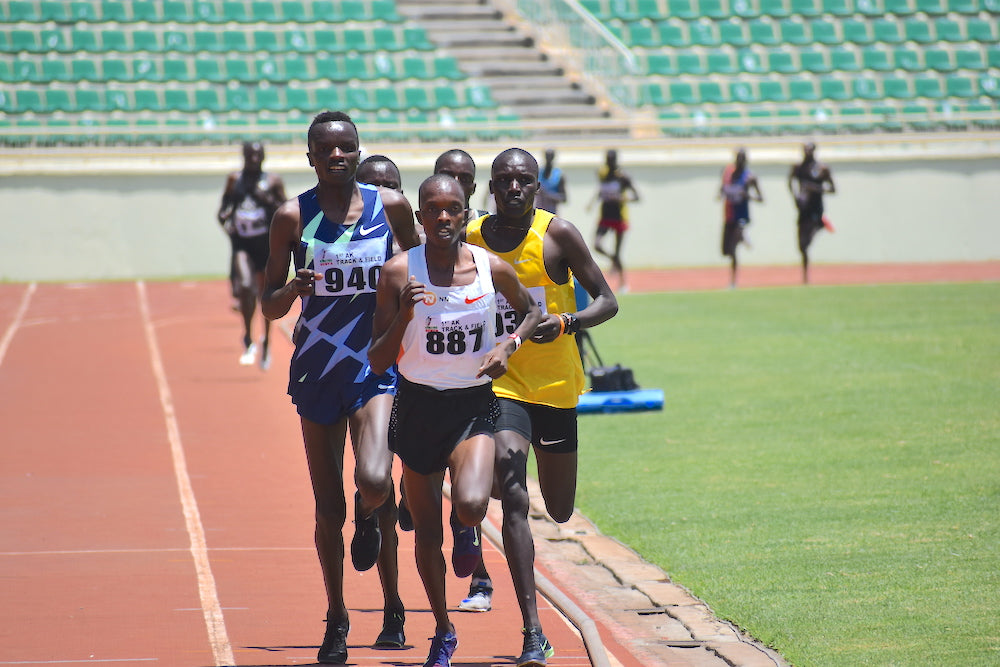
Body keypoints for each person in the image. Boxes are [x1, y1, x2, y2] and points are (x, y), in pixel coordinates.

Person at [260, 111, 421, 664]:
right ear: (309, 156)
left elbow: (421, 267)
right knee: (327, 510)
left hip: (373, 365)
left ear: (359, 151)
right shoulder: (291, 216)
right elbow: (268, 303)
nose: (338, 156)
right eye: (326, 149)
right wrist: (293, 287)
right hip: (315, 369)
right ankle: (338, 618)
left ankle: (390, 586)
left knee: (375, 480)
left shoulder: (389, 207)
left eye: (347, 147)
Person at [369, 173, 541, 667]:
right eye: (433, 208)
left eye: (453, 208)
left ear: (466, 214)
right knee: (425, 536)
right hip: (418, 404)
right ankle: (443, 630)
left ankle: (466, 529)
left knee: (469, 506)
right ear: (419, 217)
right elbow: (379, 360)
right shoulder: (399, 272)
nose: (443, 216)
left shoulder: (490, 268)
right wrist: (403, 316)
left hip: (471, 404)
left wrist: (509, 345)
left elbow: (528, 312)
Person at [464, 148, 618, 666]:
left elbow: (607, 299)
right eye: (503, 180)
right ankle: (533, 631)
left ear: (536, 187)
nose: (513, 188)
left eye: (523, 180)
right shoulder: (472, 238)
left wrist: (569, 323)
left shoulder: (558, 235)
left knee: (558, 507)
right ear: (491, 187)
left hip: (555, 387)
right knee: (512, 493)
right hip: (502, 386)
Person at [217, 141, 286, 369]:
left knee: (265, 295)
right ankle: (248, 336)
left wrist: (264, 198)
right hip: (242, 244)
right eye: (250, 155)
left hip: (265, 244)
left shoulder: (272, 181)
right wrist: (228, 226)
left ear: (264, 157)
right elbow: (223, 209)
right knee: (246, 286)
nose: (254, 159)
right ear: (244, 156)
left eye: (258, 155)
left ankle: (266, 340)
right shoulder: (234, 180)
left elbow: (285, 210)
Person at [590, 149, 638, 293]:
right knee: (597, 244)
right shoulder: (602, 174)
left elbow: (637, 196)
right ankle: (613, 261)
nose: (609, 163)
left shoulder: (623, 176)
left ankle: (623, 283)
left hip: (619, 216)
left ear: (616, 161)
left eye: (611, 160)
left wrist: (622, 198)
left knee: (618, 251)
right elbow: (600, 190)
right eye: (607, 160)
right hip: (605, 215)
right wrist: (592, 202)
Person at [788, 141, 836, 284]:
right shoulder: (798, 168)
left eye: (809, 149)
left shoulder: (822, 168)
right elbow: (790, 182)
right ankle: (805, 277)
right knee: (802, 245)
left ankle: (821, 223)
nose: (806, 152)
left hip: (816, 209)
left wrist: (814, 188)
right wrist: (796, 197)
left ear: (814, 150)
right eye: (804, 149)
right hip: (804, 209)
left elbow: (832, 189)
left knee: (806, 242)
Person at [719, 148, 763, 289]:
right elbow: (721, 190)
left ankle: (733, 282)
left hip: (742, 216)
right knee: (726, 251)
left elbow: (761, 198)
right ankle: (741, 237)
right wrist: (723, 193)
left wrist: (747, 196)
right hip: (729, 215)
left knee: (733, 248)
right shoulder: (728, 174)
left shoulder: (750, 177)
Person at [535, 148, 567, 215]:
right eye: (547, 156)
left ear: (553, 157)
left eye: (550, 156)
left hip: (552, 214)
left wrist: (548, 195)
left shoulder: (559, 175)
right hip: (538, 213)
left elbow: (564, 198)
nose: (548, 159)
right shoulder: (538, 174)